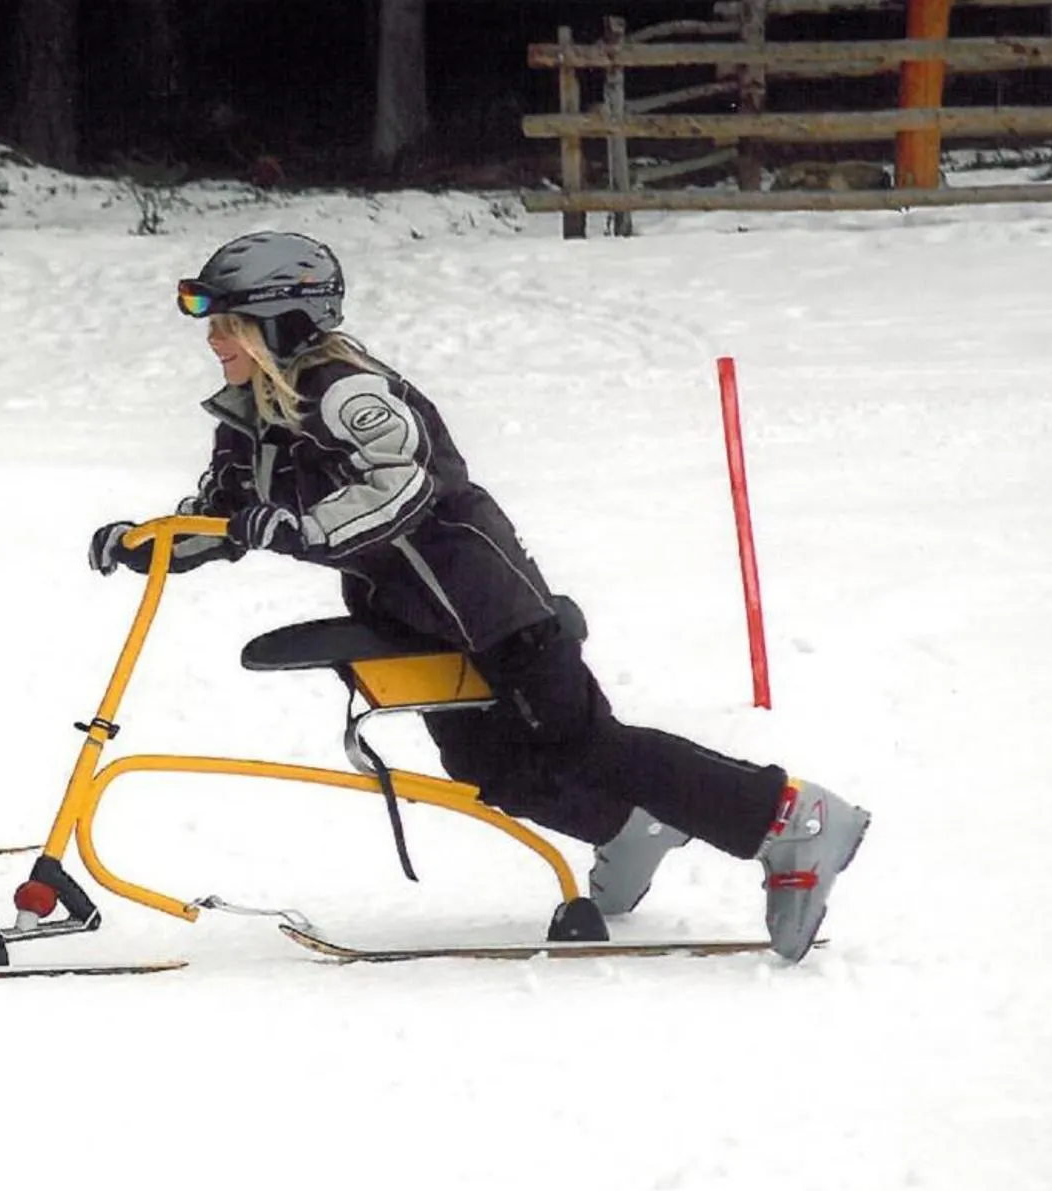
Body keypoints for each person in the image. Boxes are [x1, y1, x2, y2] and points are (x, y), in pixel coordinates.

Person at [86, 231, 868, 961]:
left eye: (229, 326)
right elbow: (223, 515)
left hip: (490, 604)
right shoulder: (254, 414)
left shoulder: (348, 394)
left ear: (282, 324)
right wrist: (148, 541)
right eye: (214, 327)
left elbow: (402, 488)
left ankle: (793, 817)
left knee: (583, 742)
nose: (215, 343)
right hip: (412, 620)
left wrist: (295, 527)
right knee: (492, 765)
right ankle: (630, 826)